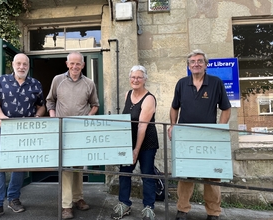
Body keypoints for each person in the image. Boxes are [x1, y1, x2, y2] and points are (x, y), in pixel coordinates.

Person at [0, 53, 46, 220]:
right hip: (4, 133)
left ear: (28, 66)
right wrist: (1, 116)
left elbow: (41, 106)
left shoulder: (35, 84)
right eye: (19, 63)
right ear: (13, 64)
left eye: (25, 64)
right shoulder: (1, 81)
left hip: (25, 134)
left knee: (19, 167)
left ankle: (14, 199)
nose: (21, 66)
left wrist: (37, 118)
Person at [168, 49, 231, 220]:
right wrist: (173, 125)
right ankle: (182, 210)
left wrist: (220, 129)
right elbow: (174, 107)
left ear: (206, 64)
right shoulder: (181, 83)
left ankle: (213, 212)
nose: (196, 64)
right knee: (186, 174)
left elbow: (226, 108)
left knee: (211, 176)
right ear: (189, 66)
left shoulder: (216, 83)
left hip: (209, 137)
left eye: (199, 61)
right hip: (186, 136)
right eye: (193, 62)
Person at [46, 51, 99, 219]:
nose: (75, 66)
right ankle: (66, 205)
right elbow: (50, 101)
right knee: (67, 168)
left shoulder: (89, 83)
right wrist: (54, 118)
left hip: (81, 131)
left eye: (78, 64)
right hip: (63, 130)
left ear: (83, 65)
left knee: (78, 166)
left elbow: (95, 105)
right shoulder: (57, 80)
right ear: (66, 64)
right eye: (72, 63)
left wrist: (87, 120)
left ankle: (78, 198)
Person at [110, 65, 159, 220]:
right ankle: (124, 204)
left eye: (139, 77)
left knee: (147, 174)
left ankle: (148, 208)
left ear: (145, 79)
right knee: (124, 173)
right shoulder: (128, 94)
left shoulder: (149, 98)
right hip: (128, 141)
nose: (135, 80)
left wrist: (136, 150)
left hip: (146, 143)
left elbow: (142, 126)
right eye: (133, 77)